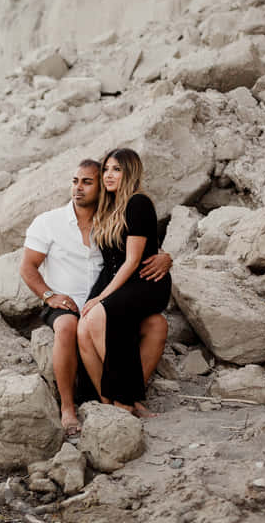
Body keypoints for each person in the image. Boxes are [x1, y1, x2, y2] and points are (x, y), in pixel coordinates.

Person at [20, 159, 170, 435]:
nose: (78, 188)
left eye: (87, 183)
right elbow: (27, 267)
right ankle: (68, 408)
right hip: (64, 304)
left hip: (105, 300)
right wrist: (49, 295)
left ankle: (128, 398)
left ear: (102, 188)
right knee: (67, 325)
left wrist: (164, 258)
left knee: (158, 324)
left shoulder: (111, 221)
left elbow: (137, 251)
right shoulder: (49, 222)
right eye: (75, 181)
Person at [78, 148, 172, 414]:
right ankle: (113, 404)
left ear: (129, 173)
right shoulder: (109, 206)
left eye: (116, 169)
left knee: (97, 315)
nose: (108, 174)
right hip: (118, 278)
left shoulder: (137, 203)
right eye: (106, 169)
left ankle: (124, 401)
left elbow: (132, 261)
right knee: (83, 327)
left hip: (144, 281)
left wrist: (101, 297)